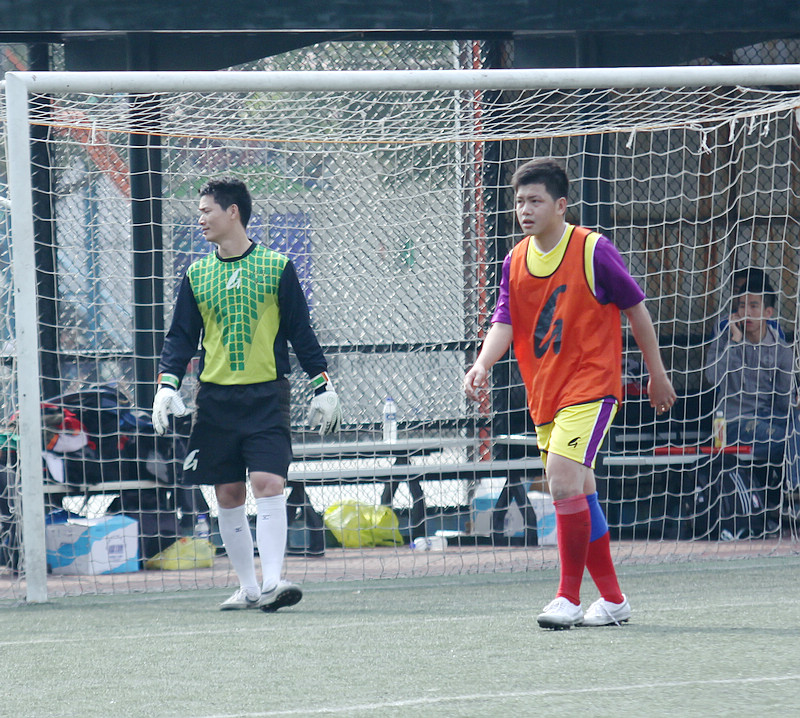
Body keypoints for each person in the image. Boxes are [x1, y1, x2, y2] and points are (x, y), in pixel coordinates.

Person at [463, 158, 675, 629]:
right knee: (580, 491)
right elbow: (504, 321)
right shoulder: (514, 260)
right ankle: (614, 601)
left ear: (561, 205)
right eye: (519, 201)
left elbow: (636, 310)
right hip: (546, 393)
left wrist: (657, 374)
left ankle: (567, 597)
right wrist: (482, 363)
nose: (525, 209)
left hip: (591, 385)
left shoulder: (593, 249)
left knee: (560, 481)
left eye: (535, 201)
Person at [152, 176, 342, 611]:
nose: (200, 219)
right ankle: (249, 588)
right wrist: (166, 386)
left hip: (267, 398)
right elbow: (180, 337)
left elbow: (300, 331)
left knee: (269, 482)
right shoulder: (196, 274)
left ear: (232, 212)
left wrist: (323, 385)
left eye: (206, 211)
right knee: (228, 494)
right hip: (215, 401)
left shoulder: (277, 267)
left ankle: (273, 582)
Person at [704, 268, 793, 464]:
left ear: (768, 312)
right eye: (742, 306)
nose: (746, 313)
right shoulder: (726, 338)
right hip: (733, 422)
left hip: (769, 418)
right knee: (786, 440)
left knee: (793, 434)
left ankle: (791, 482)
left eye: (754, 306)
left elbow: (784, 403)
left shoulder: (782, 350)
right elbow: (712, 377)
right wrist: (735, 342)